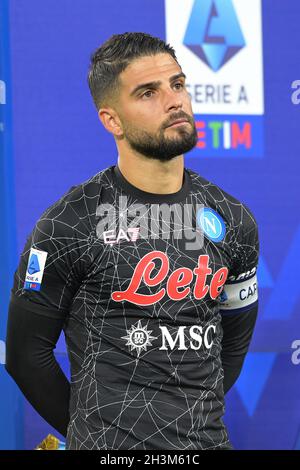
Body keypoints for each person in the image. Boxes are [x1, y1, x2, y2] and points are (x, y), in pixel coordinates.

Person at [5, 32, 259, 450]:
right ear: (112, 120)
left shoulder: (234, 220)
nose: (174, 100)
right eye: (148, 93)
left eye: (177, 84)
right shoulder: (70, 222)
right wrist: (96, 435)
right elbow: (26, 356)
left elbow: (231, 350)